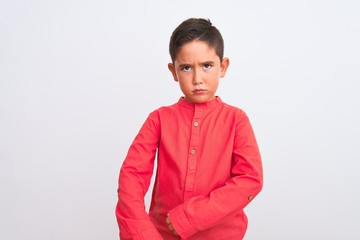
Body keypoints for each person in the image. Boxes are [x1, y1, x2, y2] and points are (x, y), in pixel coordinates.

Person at [115, 18, 263, 240]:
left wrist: (190, 217)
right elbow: (132, 177)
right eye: (186, 68)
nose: (197, 79)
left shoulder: (236, 120)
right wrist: (143, 234)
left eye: (206, 66)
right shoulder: (159, 119)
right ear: (173, 71)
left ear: (222, 67)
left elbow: (250, 179)